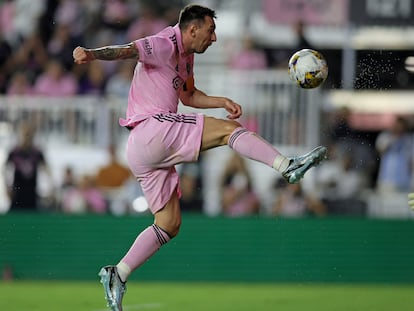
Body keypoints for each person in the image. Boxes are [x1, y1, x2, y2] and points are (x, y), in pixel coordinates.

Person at [73, 5, 327, 311]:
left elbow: (188, 95)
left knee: (168, 224)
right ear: (192, 30)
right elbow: (127, 50)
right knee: (228, 132)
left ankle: (119, 273)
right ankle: (287, 166)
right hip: (152, 130)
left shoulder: (186, 56)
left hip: (144, 149)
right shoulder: (165, 43)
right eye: (211, 30)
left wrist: (220, 100)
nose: (215, 38)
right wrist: (91, 53)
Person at [4, 124, 52, 211]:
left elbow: (47, 170)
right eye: (25, 134)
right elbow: (5, 170)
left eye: (29, 134)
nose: (27, 137)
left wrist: (50, 189)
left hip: (32, 192)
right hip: (17, 192)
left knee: (32, 219)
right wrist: (7, 188)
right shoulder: (15, 152)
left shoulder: (37, 153)